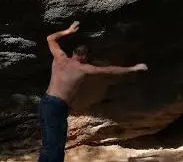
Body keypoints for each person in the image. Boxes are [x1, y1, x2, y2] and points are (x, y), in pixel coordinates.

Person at [38, 21, 148, 162]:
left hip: (46, 102)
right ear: (84, 57)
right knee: (54, 147)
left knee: (51, 145)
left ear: (73, 52)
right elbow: (109, 70)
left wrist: (68, 31)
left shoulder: (59, 57)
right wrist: (133, 68)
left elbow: (50, 38)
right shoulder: (83, 68)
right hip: (56, 107)